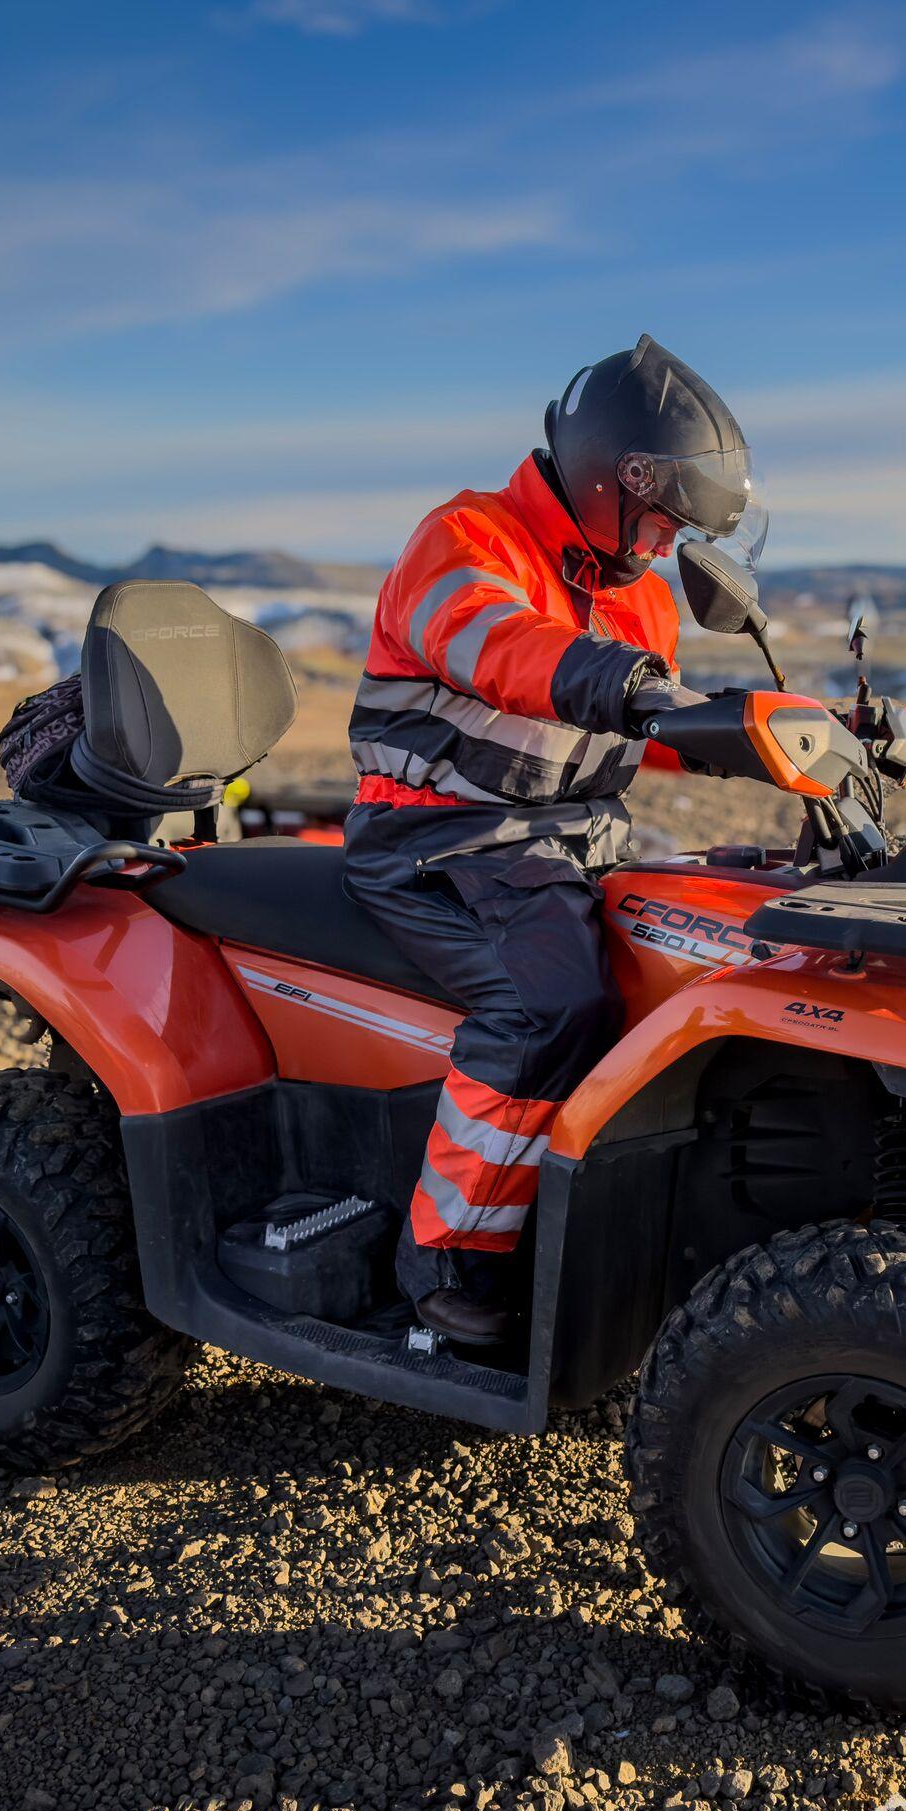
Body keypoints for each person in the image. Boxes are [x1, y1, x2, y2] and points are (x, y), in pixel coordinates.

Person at [341, 335, 762, 1344]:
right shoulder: (465, 539)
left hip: (563, 846)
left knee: (695, 962)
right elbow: (502, 647)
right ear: (614, 476)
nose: (665, 544)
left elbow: (650, 724)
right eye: (662, 519)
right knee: (549, 1004)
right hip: (438, 843)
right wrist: (621, 683)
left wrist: (776, 729)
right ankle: (450, 1262)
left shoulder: (640, 591)